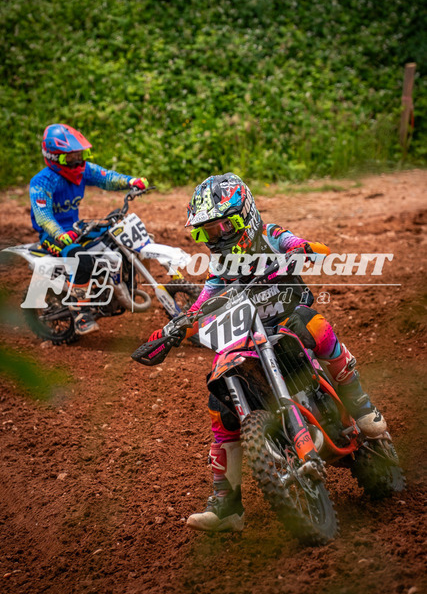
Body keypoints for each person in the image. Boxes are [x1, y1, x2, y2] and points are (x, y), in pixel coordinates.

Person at [147, 172, 387, 532]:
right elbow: (201, 304)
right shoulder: (221, 268)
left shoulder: (271, 236)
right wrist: (176, 328)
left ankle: (362, 406)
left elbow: (302, 245)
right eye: (207, 232)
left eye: (222, 227)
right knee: (219, 403)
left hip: (290, 322)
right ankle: (227, 504)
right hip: (250, 338)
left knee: (316, 325)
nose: (216, 237)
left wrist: (303, 250)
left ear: (245, 216)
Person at [29, 123, 148, 335]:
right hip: (53, 234)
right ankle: (80, 313)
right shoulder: (42, 182)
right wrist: (59, 234)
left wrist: (131, 181)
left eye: (80, 155)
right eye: (71, 157)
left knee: (116, 237)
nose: (78, 161)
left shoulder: (83, 170)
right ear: (54, 158)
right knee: (81, 260)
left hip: (76, 228)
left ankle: (118, 287)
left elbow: (107, 177)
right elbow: (43, 215)